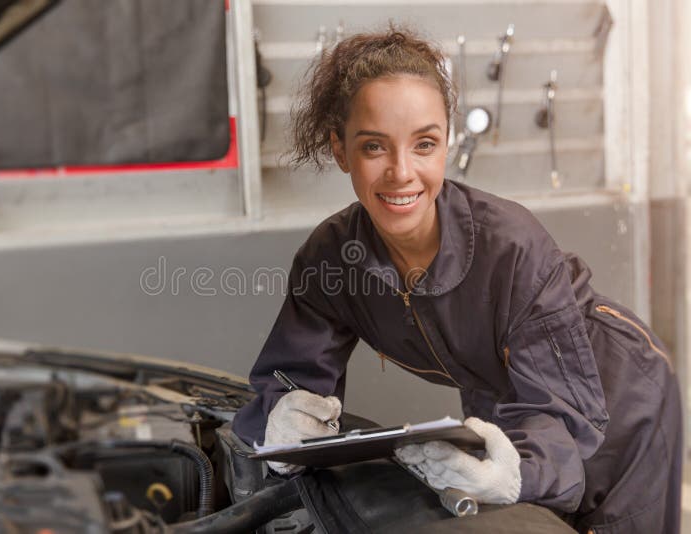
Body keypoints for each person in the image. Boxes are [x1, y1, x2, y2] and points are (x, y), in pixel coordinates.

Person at [232, 27, 682, 533]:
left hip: (617, 394)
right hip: (507, 394)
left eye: (424, 143)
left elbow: (562, 416)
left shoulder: (513, 249)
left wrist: (520, 469)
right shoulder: (331, 260)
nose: (402, 172)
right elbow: (291, 379)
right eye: (375, 146)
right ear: (340, 151)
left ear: (448, 141)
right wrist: (281, 419)